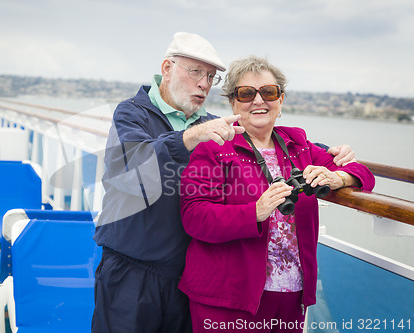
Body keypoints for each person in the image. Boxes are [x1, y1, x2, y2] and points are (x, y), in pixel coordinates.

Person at [92, 31, 356, 333]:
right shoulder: (132, 113)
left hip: (183, 276)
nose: (203, 84)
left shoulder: (212, 125)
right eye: (195, 72)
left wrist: (333, 155)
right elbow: (127, 166)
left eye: (210, 77)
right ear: (167, 69)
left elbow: (272, 142)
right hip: (133, 268)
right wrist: (189, 138)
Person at [178, 56, 375, 333]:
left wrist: (337, 177)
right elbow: (194, 216)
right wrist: (254, 212)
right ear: (233, 103)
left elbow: (363, 173)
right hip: (228, 299)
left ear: (280, 101)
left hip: (291, 295)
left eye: (268, 92)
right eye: (246, 93)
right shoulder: (214, 148)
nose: (259, 101)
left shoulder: (298, 146)